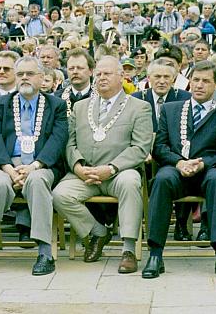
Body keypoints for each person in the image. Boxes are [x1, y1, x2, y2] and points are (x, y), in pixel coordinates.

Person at [0, 56, 67, 276]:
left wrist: (34, 166)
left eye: (29, 74)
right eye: (20, 74)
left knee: (38, 181)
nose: (24, 78)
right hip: (6, 166)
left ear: (42, 78)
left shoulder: (56, 105)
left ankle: (44, 253)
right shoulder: (1, 104)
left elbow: (58, 140)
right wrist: (9, 169)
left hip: (41, 164)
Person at [53, 56, 152, 273]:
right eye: (98, 74)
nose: (101, 78)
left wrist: (111, 168)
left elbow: (140, 148)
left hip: (119, 172)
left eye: (107, 73)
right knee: (59, 194)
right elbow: (69, 142)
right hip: (85, 173)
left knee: (130, 184)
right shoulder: (80, 107)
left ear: (122, 76)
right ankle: (97, 232)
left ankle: (128, 250)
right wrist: (78, 167)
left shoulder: (139, 107)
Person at [143, 61, 216, 280]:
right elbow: (160, 147)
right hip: (178, 169)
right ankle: (155, 254)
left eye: (206, 81)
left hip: (209, 170)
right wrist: (178, 162)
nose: (199, 85)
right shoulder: (171, 110)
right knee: (162, 178)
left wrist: (203, 162)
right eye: (196, 80)